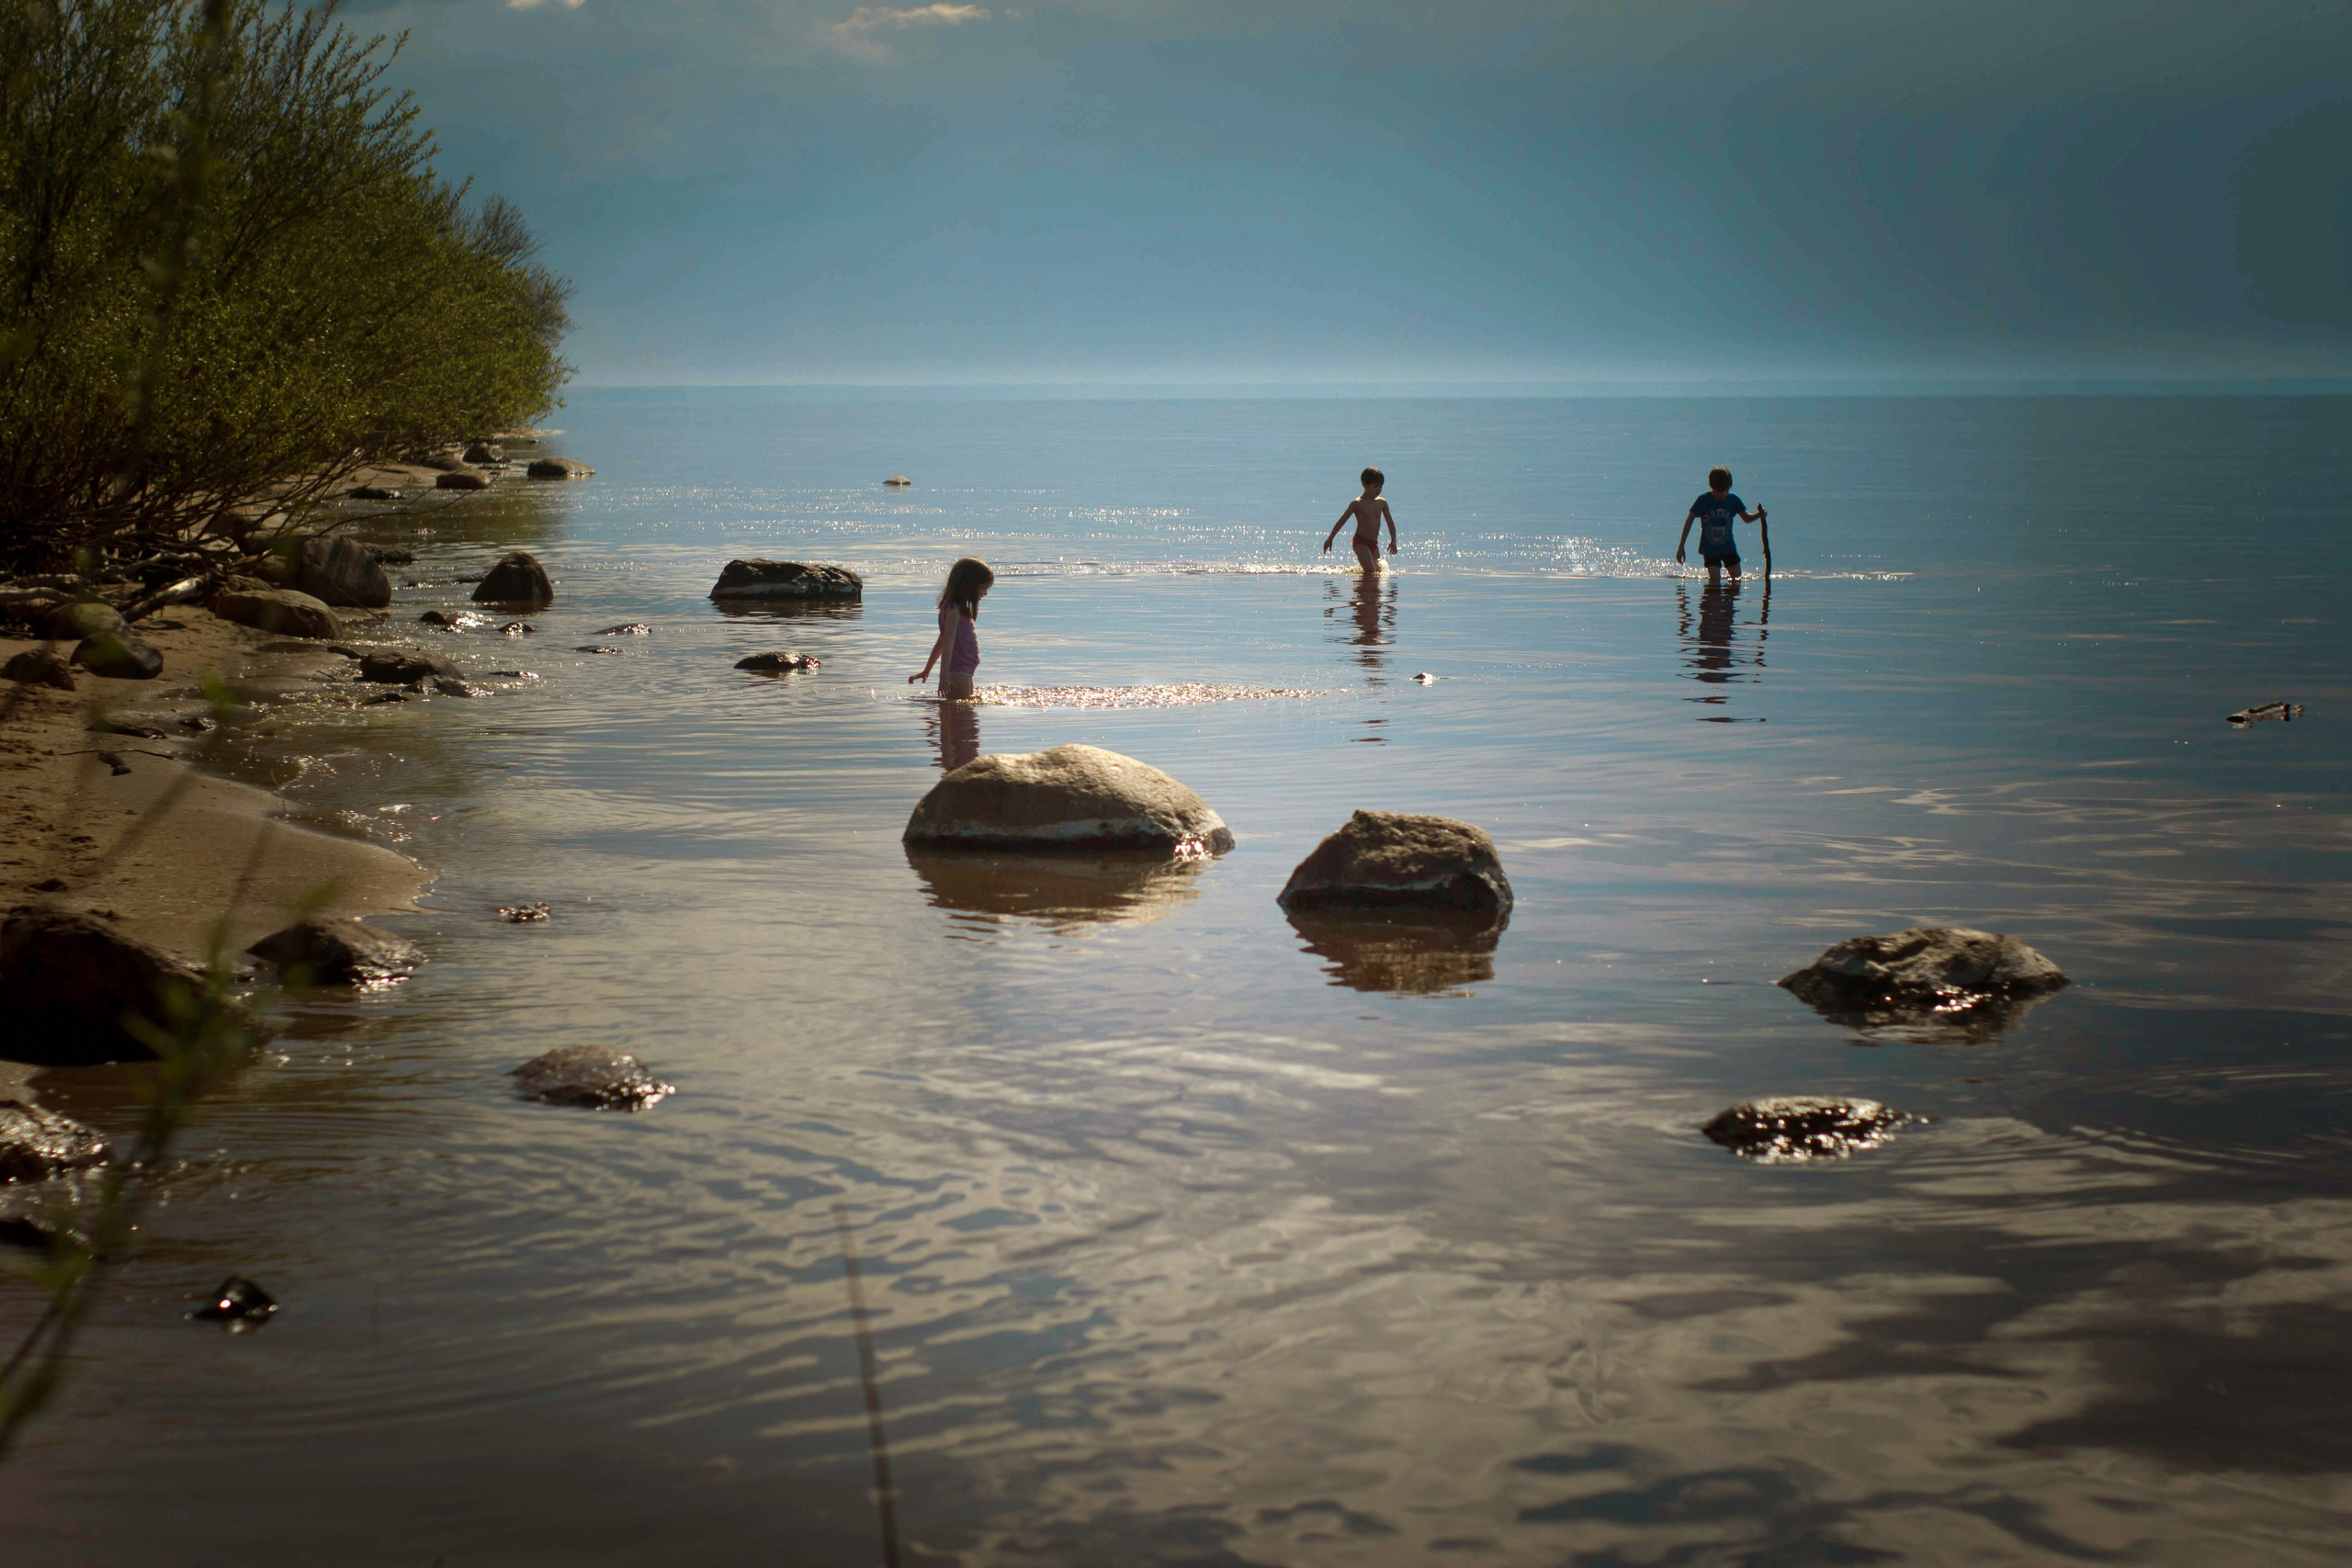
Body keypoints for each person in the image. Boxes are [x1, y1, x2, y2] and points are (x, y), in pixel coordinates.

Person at [910, 556, 992, 701]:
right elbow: (948, 644)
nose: (985, 594)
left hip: (964, 670)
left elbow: (941, 642)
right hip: (958, 672)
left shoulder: (956, 609)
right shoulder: (953, 611)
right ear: (968, 587)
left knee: (964, 715)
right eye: (982, 589)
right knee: (961, 716)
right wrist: (944, 677)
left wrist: (927, 670)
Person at [1675, 467, 1769, 585]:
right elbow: (1689, 521)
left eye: (1726, 490)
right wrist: (1681, 547)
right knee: (1714, 581)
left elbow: (1746, 518)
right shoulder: (1703, 500)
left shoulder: (1733, 500)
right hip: (1709, 549)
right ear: (1712, 487)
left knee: (1736, 580)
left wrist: (1759, 515)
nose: (1723, 494)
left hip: (1728, 548)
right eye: (1719, 491)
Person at [1323, 467, 1398, 573]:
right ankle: (1361, 588)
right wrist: (1330, 538)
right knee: (1371, 572)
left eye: (1381, 486)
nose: (1379, 489)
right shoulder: (1357, 503)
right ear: (1364, 484)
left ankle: (1364, 587)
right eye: (1375, 486)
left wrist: (1393, 541)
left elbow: (1390, 523)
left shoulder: (1382, 503)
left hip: (1374, 544)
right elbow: (1342, 521)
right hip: (1361, 542)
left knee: (1378, 572)